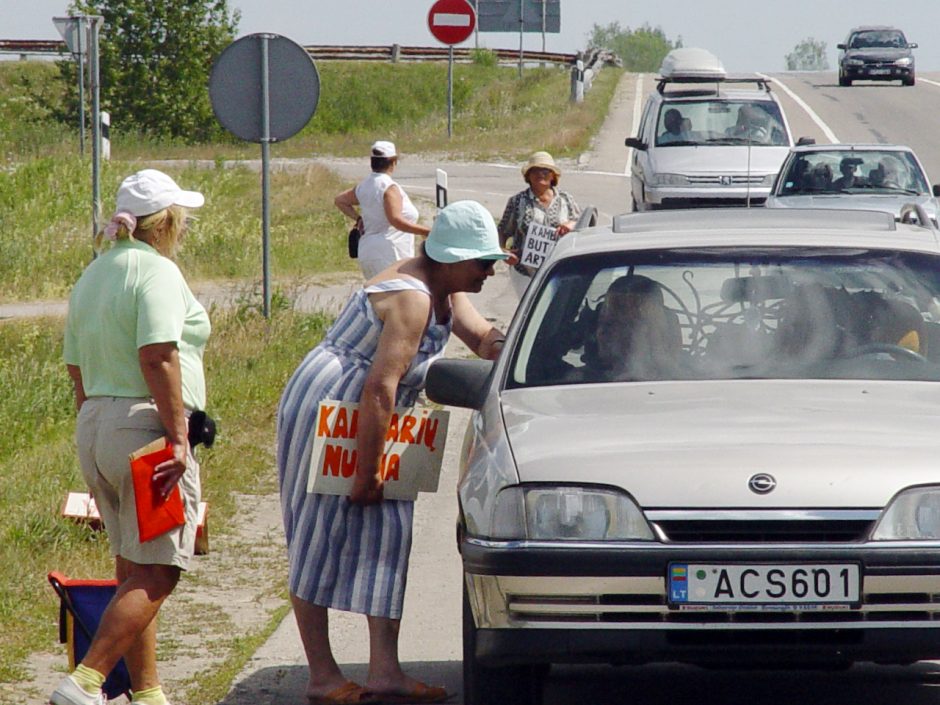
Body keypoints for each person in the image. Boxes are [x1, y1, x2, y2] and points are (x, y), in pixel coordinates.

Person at [277, 201, 509, 705]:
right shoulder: (412, 298)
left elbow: (482, 337)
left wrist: (519, 346)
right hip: (335, 405)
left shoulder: (447, 289)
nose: (490, 271)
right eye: (482, 262)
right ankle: (322, 675)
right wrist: (367, 471)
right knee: (317, 532)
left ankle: (385, 671)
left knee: (390, 534)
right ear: (450, 258)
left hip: (380, 414)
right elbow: (380, 386)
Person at [51, 169, 209, 705]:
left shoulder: (93, 273)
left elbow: (76, 368)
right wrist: (179, 437)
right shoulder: (157, 272)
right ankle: (84, 680)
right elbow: (158, 354)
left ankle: (147, 693)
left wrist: (93, 440)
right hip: (143, 428)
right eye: (181, 218)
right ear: (166, 223)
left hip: (96, 423)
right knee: (161, 570)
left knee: (131, 569)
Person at [335, 141, 431, 279]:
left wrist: (358, 218)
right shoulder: (389, 188)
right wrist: (426, 231)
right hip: (390, 252)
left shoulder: (364, 185)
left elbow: (340, 200)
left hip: (368, 250)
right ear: (393, 162)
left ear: (372, 162)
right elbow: (396, 220)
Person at [498, 151, 581, 297]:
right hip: (525, 272)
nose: (540, 174)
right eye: (535, 170)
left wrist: (571, 225)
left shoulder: (566, 199)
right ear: (528, 176)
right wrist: (504, 252)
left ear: (553, 176)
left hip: (559, 269)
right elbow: (502, 230)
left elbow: (583, 226)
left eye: (545, 171)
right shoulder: (517, 201)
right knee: (531, 313)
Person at [577, 275, 682, 382]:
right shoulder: (575, 383)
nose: (602, 333)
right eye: (605, 323)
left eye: (626, 324)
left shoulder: (689, 383)